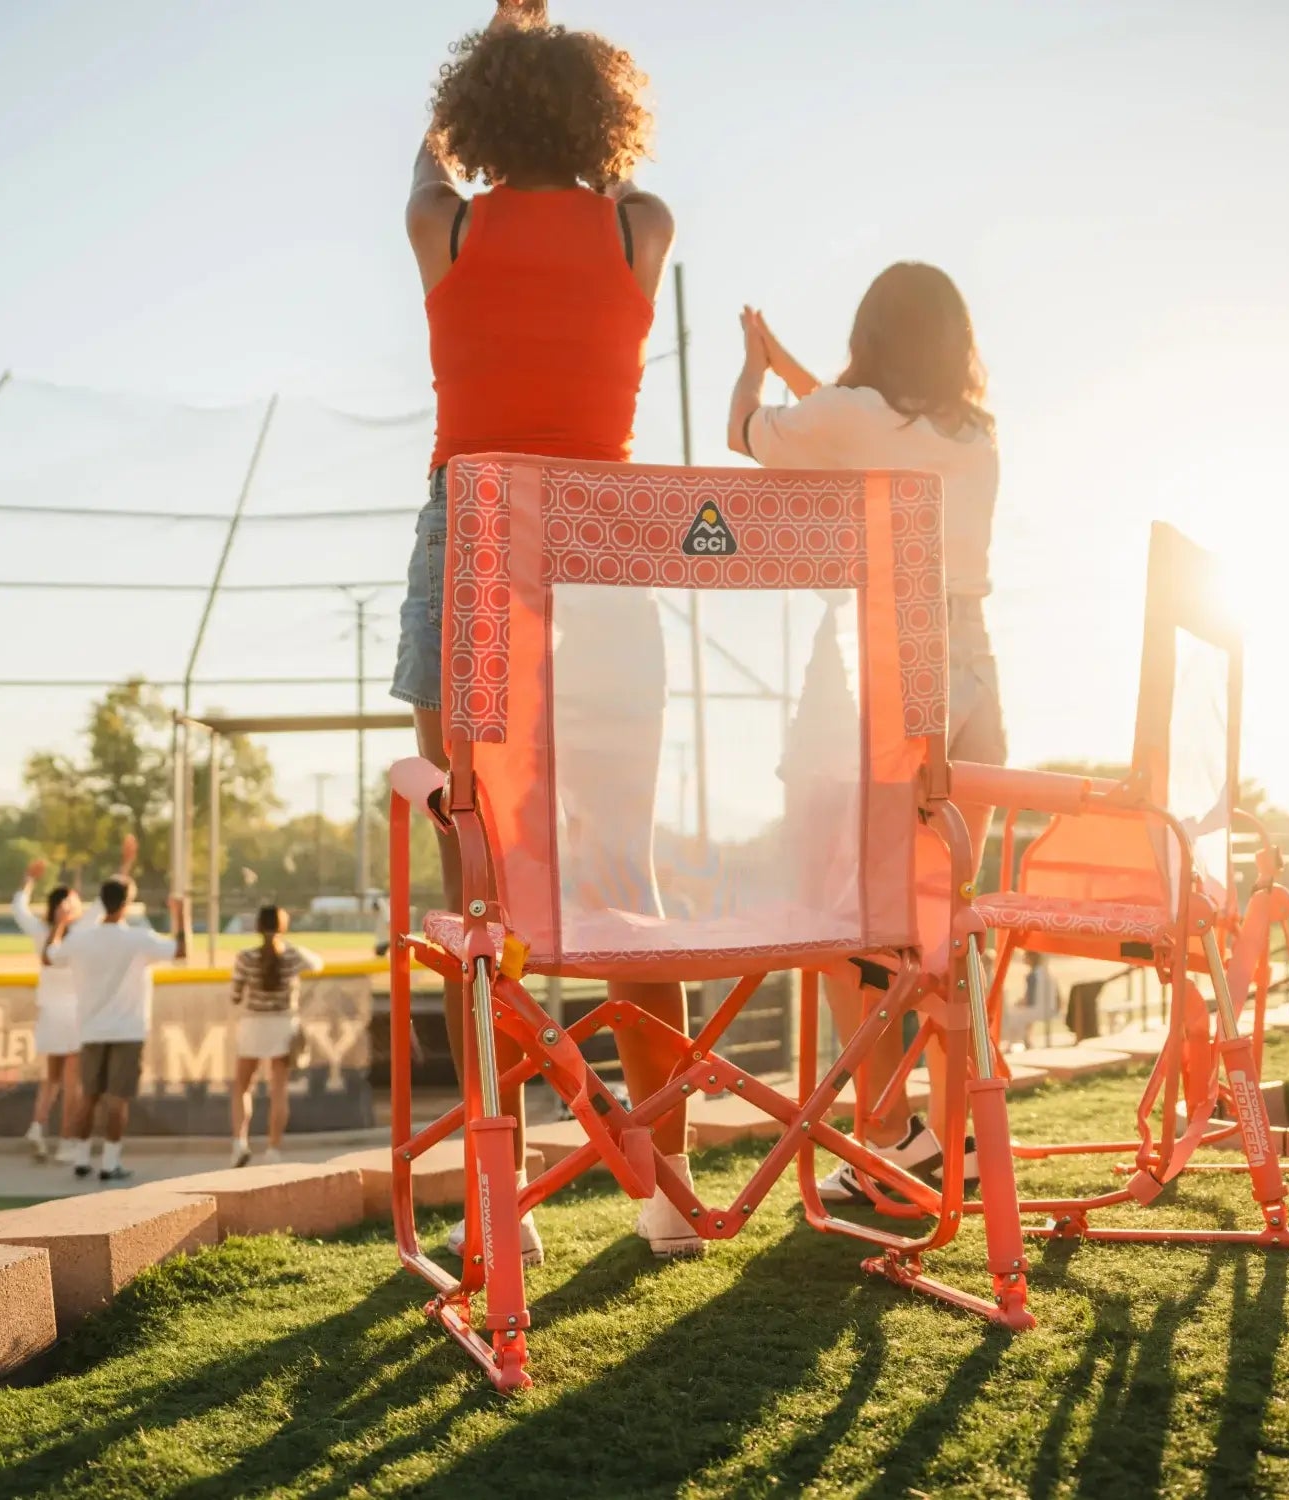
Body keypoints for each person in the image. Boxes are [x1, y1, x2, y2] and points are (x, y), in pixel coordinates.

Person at [393, 0, 697, 1261]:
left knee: (478, 873)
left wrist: (488, 62)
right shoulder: (640, 227)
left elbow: (423, 168)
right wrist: (576, 89)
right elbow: (633, 183)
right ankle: (665, 1192)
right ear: (604, 121)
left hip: (473, 547)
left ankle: (490, 1199)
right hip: (606, 562)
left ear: (475, 118)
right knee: (623, 878)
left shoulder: (445, 223)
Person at [728, 263, 1006, 1202]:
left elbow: (753, 436)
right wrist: (802, 371)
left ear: (872, 335)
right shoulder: (975, 437)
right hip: (971, 673)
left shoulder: (851, 416)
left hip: (877, 663)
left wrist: (755, 366)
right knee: (943, 914)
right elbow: (855, 425)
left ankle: (886, 1132)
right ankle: (952, 1134)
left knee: (837, 900)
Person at [45, 878, 186, 1181]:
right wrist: (180, 914)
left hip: (92, 1029)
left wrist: (59, 923)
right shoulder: (138, 938)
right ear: (126, 904)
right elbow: (181, 951)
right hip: (128, 1030)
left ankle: (81, 1158)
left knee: (89, 1096)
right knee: (117, 1099)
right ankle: (110, 1162)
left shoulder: (83, 938)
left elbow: (49, 956)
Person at [10, 836, 136, 1165]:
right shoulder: (79, 933)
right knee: (72, 1084)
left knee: (50, 1080)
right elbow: (107, 902)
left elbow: (18, 908)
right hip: (74, 1016)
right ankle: (67, 1141)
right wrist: (125, 864)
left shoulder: (41, 930)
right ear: (68, 908)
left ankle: (37, 1127)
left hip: (48, 1014)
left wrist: (29, 880)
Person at [228, 905, 323, 1167]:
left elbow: (236, 995)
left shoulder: (245, 957)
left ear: (257, 927)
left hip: (252, 1025)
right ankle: (273, 1148)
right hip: (283, 1025)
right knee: (278, 1090)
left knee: (242, 1086)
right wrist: (285, 942)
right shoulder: (293, 955)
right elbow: (318, 963)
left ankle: (239, 1143)